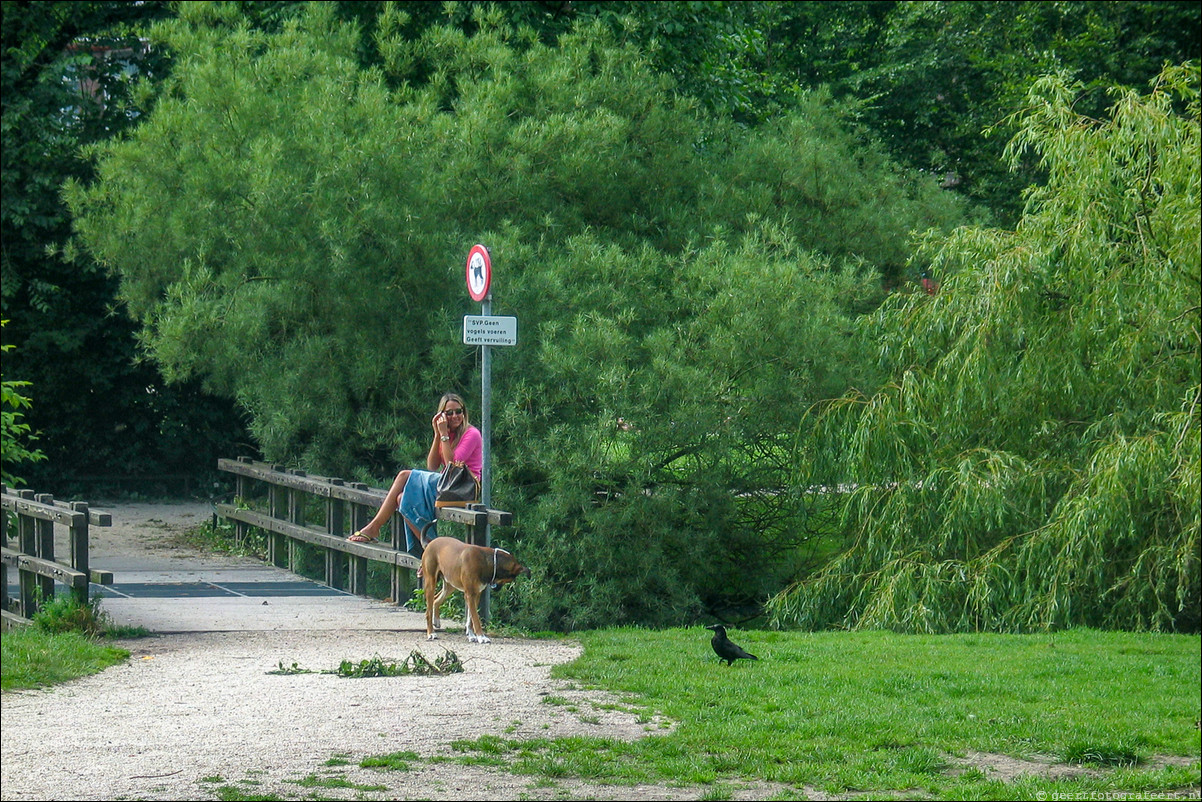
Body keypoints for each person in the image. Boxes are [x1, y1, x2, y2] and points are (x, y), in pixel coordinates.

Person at [348, 393, 483, 554]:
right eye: (449, 413)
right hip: (446, 485)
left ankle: (374, 527)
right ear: (442, 415)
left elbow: (450, 467)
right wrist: (437, 435)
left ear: (464, 412)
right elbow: (432, 465)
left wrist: (444, 436)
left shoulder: (472, 434)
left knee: (405, 475)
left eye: (459, 411)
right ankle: (430, 550)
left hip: (464, 487)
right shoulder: (447, 432)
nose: (455, 416)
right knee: (401, 499)